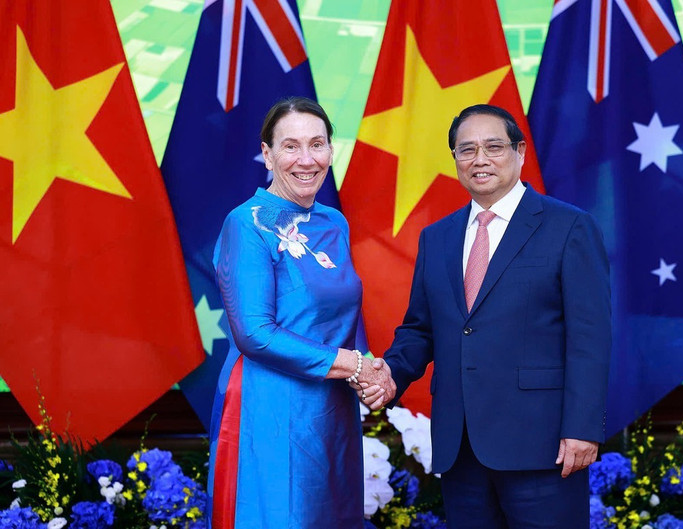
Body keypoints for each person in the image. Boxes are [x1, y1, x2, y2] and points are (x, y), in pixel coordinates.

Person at [363, 104, 611, 528]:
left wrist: (583, 427)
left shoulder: (569, 226)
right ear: (455, 160)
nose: (479, 159)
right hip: (461, 449)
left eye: (493, 147)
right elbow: (421, 329)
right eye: (466, 150)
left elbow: (590, 337)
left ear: (520, 152)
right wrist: (390, 373)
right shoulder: (436, 237)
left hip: (544, 445)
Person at [207, 96, 394, 528]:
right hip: (268, 406)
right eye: (290, 147)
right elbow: (255, 333)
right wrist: (351, 364)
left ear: (332, 151)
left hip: (332, 406)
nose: (306, 160)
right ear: (267, 155)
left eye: (317, 144)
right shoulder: (246, 223)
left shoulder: (334, 221)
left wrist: (369, 372)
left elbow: (344, 312)